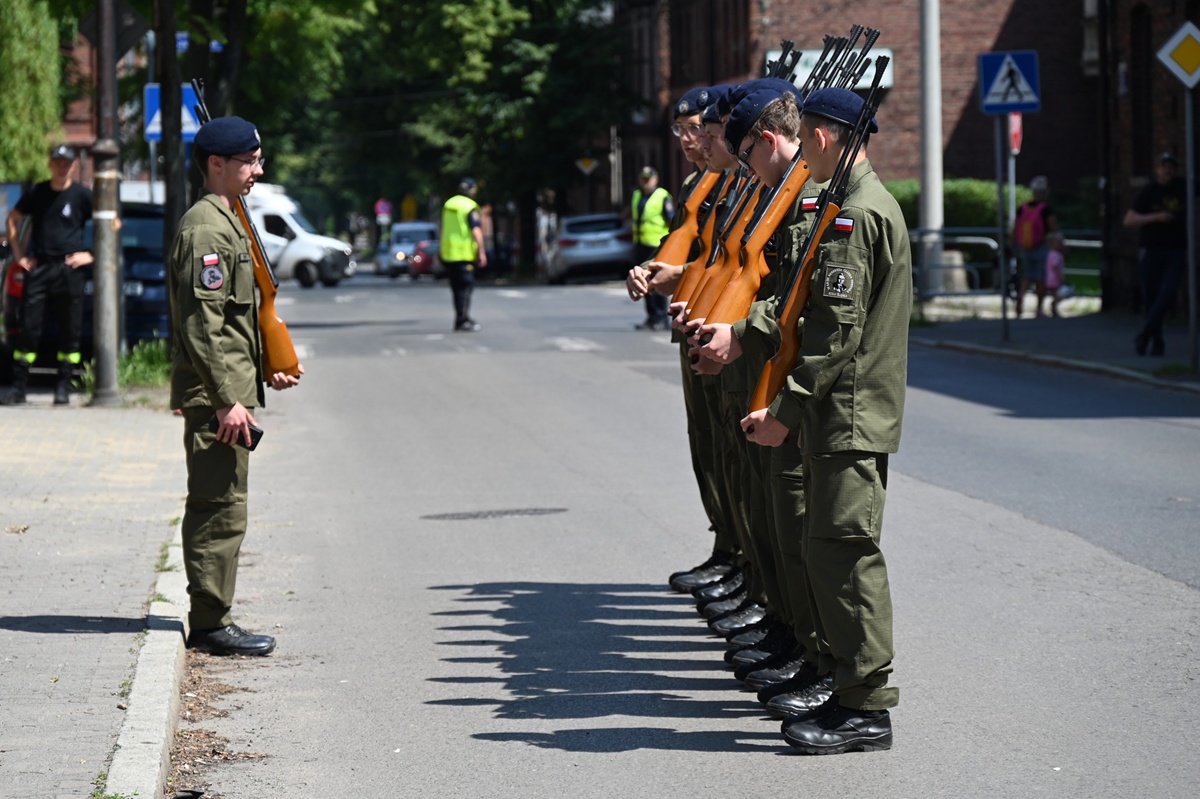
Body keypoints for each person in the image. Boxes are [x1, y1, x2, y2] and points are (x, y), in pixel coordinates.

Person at [739, 87, 910, 754]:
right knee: (828, 549)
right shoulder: (852, 207)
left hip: (850, 414)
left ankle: (866, 704)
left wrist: (788, 409)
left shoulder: (855, 217)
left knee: (844, 555)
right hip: (842, 412)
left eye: (807, 134)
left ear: (829, 137)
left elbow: (834, 334)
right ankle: (851, 693)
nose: (802, 146)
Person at [168, 115, 303, 656]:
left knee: (227, 505)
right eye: (249, 160)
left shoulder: (226, 220)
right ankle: (210, 623)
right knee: (217, 506)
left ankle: (214, 615)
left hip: (227, 393)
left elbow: (235, 319)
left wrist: (265, 365)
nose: (258, 169)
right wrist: (228, 399)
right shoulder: (205, 227)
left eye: (258, 158)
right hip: (215, 398)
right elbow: (203, 325)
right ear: (216, 165)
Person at [1, 144, 94, 406]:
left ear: (74, 165)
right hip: (39, 267)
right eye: (58, 162)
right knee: (29, 328)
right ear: (50, 164)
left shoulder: (82, 195)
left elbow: (112, 222)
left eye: (67, 162)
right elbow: (12, 219)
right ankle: (18, 389)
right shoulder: (38, 193)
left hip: (70, 269)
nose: (62, 167)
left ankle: (63, 388)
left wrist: (91, 254)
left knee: (70, 330)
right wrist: (19, 256)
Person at [1124, 152, 1186, 356]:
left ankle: (1144, 334)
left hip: (1175, 251)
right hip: (1151, 251)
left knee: (1168, 292)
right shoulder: (1149, 191)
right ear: (1157, 169)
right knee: (1151, 298)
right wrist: (1156, 217)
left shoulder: (1182, 187)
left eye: (1171, 166)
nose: (1167, 170)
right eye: (1163, 166)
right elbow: (1129, 220)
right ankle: (1156, 343)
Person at [440, 177, 487, 332]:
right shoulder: (469, 206)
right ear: (471, 190)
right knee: (466, 287)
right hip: (464, 255)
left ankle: (460, 317)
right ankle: (462, 319)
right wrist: (481, 252)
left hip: (448, 254)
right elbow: (476, 230)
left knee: (456, 288)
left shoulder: (449, 204)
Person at [630, 166, 674, 330]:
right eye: (643, 179)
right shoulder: (637, 195)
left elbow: (672, 220)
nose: (645, 183)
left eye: (648, 179)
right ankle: (651, 317)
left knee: (657, 282)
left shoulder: (662, 196)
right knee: (643, 282)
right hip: (640, 244)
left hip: (657, 246)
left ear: (655, 180)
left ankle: (661, 318)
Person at [1011, 175, 1059, 318]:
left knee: (1027, 276)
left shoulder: (1023, 208)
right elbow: (1054, 228)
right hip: (1041, 247)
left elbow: (1015, 228)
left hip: (1026, 247)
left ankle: (1020, 299)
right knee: (1040, 279)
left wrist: (1012, 245)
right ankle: (1039, 308)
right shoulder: (1046, 209)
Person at [1043, 231, 1066, 317]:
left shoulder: (1049, 254)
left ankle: (1053, 307)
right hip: (1054, 278)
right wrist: (1061, 277)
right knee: (1056, 294)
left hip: (1049, 277)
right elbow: (1055, 267)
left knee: (1054, 294)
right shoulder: (1056, 255)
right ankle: (1054, 306)